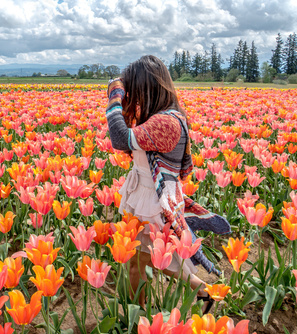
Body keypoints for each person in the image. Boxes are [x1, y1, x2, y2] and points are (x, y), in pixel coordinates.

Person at [105, 55, 230, 313]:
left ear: (147, 86)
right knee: (155, 257)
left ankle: (136, 314)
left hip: (152, 201)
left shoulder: (166, 123)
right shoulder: (159, 117)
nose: (132, 95)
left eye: (134, 88)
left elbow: (119, 137)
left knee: (138, 261)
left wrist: (115, 97)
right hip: (145, 194)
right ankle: (202, 291)